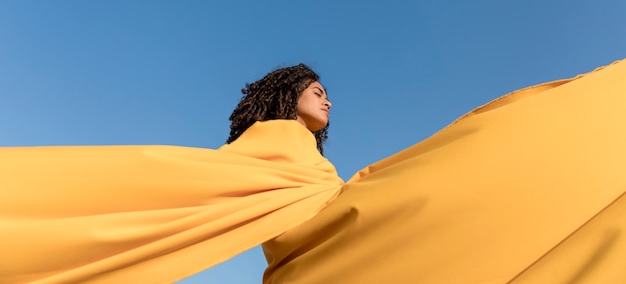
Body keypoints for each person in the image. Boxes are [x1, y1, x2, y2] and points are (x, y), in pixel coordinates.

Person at [2, 60, 626, 284]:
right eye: (317, 89)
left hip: (356, 236)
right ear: (284, 95)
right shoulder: (265, 142)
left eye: (330, 94)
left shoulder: (315, 158)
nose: (328, 100)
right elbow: (165, 183)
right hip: (333, 255)